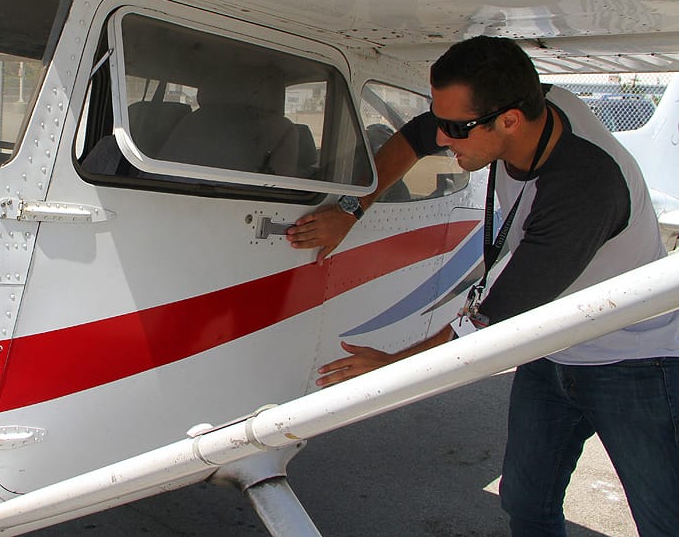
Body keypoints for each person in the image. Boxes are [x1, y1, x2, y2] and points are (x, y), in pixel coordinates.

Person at [286, 36, 679, 537]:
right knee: (526, 504)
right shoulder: (521, 107)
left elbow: (496, 320)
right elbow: (415, 137)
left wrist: (391, 367)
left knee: (663, 517)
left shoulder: (584, 188)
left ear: (509, 121)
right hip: (554, 346)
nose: (443, 140)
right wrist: (352, 209)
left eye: (455, 130)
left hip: (635, 362)